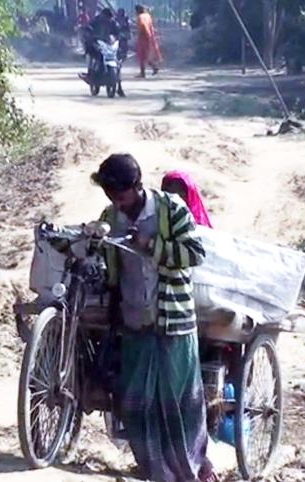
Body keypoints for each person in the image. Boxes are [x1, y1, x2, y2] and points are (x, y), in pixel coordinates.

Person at [93, 154, 216, 482]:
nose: (116, 203)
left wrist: (152, 244)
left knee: (181, 407)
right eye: (110, 196)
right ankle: (157, 473)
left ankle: (192, 471)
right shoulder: (109, 217)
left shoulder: (171, 209)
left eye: (120, 196)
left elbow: (194, 254)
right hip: (135, 323)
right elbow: (106, 261)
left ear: (137, 186)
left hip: (172, 324)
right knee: (137, 407)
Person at [135, 5, 162, 77]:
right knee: (147, 54)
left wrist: (138, 34)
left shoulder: (140, 17)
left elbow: (142, 26)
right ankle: (154, 67)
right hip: (150, 36)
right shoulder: (147, 16)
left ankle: (142, 73)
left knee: (141, 55)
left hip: (143, 37)